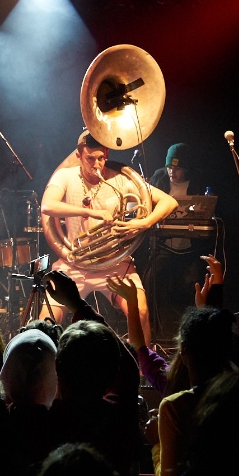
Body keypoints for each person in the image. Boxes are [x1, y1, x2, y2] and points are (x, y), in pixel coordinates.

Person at [41, 130, 175, 342]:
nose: (97, 165)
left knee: (140, 313)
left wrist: (143, 223)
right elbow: (48, 206)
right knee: (46, 322)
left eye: (101, 158)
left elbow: (169, 201)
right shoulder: (65, 176)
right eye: (90, 159)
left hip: (115, 262)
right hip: (74, 263)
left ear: (107, 154)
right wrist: (90, 212)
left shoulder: (121, 179)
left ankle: (143, 371)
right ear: (78, 155)